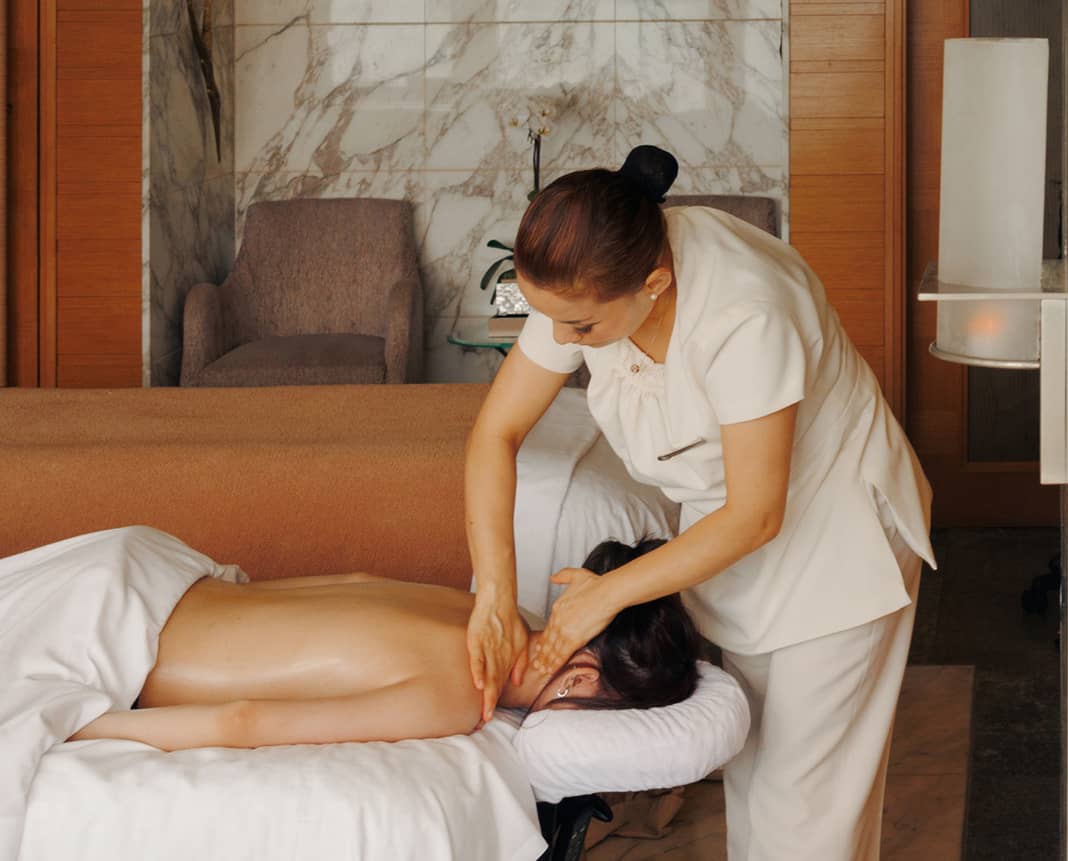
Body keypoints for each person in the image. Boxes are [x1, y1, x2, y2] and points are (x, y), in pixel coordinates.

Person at [463, 145, 935, 859]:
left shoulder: (745, 314)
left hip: (836, 544)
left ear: (653, 284)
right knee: (755, 790)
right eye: (549, 318)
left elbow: (757, 513)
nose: (560, 342)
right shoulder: (586, 275)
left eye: (580, 329)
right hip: (734, 547)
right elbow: (496, 432)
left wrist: (608, 594)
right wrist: (495, 592)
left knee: (803, 819)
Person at [70, 539, 699, 752]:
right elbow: (245, 720)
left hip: (147, 568)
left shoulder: (486, 610)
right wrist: (78, 730)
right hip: (113, 640)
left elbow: (353, 582)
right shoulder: (461, 694)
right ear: (583, 681)